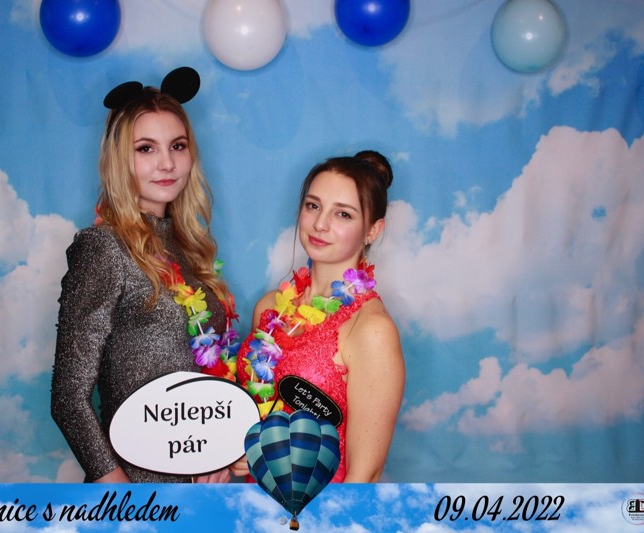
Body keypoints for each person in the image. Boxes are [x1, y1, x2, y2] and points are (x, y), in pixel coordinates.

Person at [51, 67, 235, 483]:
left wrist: (219, 452)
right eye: (146, 148)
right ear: (120, 159)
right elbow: (68, 398)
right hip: (136, 491)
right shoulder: (103, 247)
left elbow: (205, 375)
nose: (167, 163)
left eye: (177, 146)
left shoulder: (191, 248)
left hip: (202, 488)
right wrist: (123, 496)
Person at [234, 150, 405, 482]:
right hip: (253, 502)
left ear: (372, 230)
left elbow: (365, 476)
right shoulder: (269, 309)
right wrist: (241, 450)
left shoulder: (370, 329)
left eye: (343, 214)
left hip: (324, 508)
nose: (320, 224)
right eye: (313, 206)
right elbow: (256, 414)